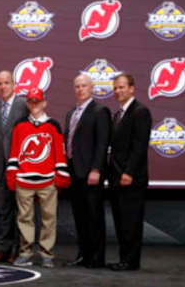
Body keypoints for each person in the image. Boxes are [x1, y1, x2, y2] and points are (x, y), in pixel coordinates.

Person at [6, 88, 71, 268]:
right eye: (31, 102)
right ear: (28, 104)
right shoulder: (19, 125)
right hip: (24, 179)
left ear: (44, 103)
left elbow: (59, 153)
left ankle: (46, 253)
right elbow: (15, 152)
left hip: (47, 181)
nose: (34, 105)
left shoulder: (53, 125)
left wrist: (61, 175)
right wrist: (12, 174)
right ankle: (25, 252)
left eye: (37, 101)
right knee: (24, 218)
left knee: (49, 219)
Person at [64, 74, 111, 268]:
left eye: (84, 86)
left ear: (91, 88)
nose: (80, 89)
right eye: (77, 86)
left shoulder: (100, 111)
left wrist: (96, 169)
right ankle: (83, 254)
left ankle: (97, 258)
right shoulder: (71, 113)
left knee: (94, 216)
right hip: (74, 172)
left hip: (91, 173)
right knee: (80, 217)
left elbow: (102, 144)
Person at [107, 73, 152, 271]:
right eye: (115, 88)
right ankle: (124, 258)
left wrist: (129, 172)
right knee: (121, 221)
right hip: (116, 177)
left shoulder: (140, 112)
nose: (118, 91)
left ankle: (131, 261)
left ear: (132, 88)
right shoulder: (118, 114)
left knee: (131, 222)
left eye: (122, 87)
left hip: (131, 178)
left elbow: (140, 146)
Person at [0, 71, 28, 263]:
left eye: (6, 83)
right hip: (0, 167)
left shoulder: (25, 105)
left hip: (21, 167)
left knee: (21, 210)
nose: (3, 87)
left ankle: (20, 250)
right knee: (3, 209)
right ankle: (4, 247)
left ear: (14, 84)